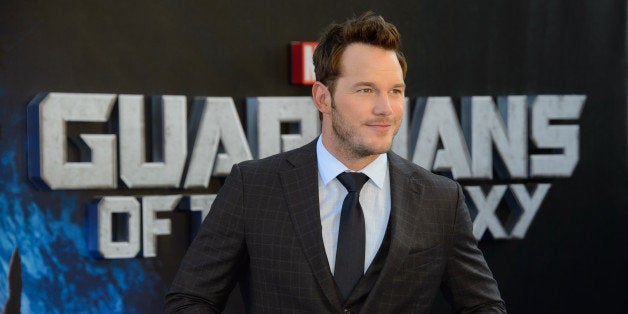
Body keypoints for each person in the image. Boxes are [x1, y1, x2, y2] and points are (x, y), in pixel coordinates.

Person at [165, 12, 506, 313]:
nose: (385, 108)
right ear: (323, 98)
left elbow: (482, 305)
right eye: (366, 90)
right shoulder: (253, 187)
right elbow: (190, 299)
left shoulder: (440, 199)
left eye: (396, 91)